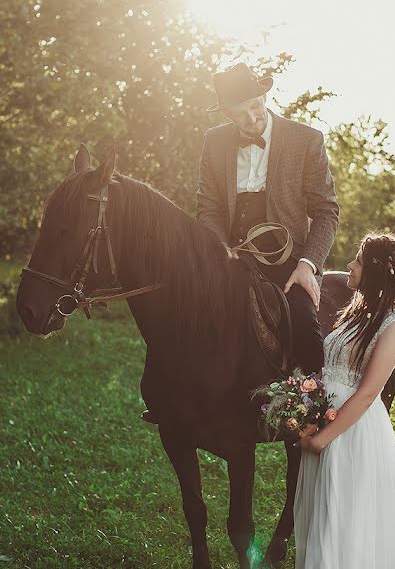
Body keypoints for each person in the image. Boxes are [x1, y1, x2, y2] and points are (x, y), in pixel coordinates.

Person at [141, 62, 340, 424]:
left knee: (303, 322)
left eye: (255, 107)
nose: (251, 119)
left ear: (263, 95)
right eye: (240, 114)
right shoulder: (214, 141)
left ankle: (310, 412)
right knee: (179, 307)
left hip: (288, 257)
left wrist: (307, 265)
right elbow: (209, 206)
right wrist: (220, 248)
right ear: (227, 114)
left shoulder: (307, 139)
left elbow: (327, 212)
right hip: (231, 254)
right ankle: (171, 398)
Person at [293, 232, 395, 568]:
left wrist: (323, 438)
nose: (350, 266)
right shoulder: (357, 310)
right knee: (322, 515)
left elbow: (368, 393)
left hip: (350, 433)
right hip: (327, 420)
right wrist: (309, 409)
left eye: (359, 261)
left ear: (379, 271)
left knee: (344, 518)